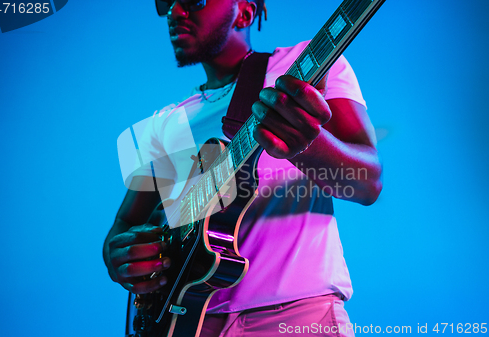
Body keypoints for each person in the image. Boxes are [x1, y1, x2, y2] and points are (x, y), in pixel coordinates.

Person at [103, 0, 382, 336]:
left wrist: (307, 145)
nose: (176, 12)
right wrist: (120, 256)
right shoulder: (164, 124)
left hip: (295, 315)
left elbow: (367, 182)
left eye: (194, 0)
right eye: (167, 3)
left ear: (245, 11)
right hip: (186, 321)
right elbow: (126, 224)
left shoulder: (300, 67)